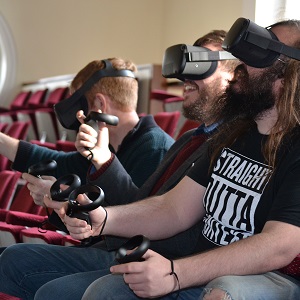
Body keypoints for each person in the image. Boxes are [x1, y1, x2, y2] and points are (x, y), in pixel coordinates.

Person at [70, 19, 300, 299]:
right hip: (198, 271)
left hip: (253, 279)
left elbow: (280, 244)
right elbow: (174, 209)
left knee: (225, 292)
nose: (242, 65)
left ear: (290, 75)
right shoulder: (232, 136)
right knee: (106, 292)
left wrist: (177, 273)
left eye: (260, 52)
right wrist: (104, 218)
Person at [0, 30, 239, 300]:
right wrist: (66, 205)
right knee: (13, 260)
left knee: (53, 289)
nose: (185, 77)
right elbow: (144, 206)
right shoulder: (190, 140)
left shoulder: (160, 146)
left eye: (202, 63)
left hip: (152, 257)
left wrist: (103, 166)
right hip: (121, 245)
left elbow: (153, 217)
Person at [0, 57, 174, 203]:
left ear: (100, 104)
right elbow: (57, 164)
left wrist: (60, 196)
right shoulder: (109, 147)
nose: (77, 116)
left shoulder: (154, 148)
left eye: (80, 105)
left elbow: (132, 216)